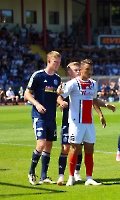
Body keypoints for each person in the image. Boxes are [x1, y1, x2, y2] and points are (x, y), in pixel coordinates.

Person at [57, 61, 116, 185]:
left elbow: (94, 100)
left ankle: (89, 178)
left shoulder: (93, 84)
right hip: (75, 122)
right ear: (81, 69)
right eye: (87, 69)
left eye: (91, 70)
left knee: (90, 148)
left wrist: (102, 111)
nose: (90, 72)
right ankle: (71, 177)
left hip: (89, 122)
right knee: (75, 148)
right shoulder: (73, 83)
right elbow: (61, 95)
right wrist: (60, 97)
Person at [25, 51, 62, 185]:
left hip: (51, 117)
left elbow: (56, 96)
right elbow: (27, 94)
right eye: (55, 62)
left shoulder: (57, 79)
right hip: (39, 116)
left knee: (49, 146)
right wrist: (37, 104)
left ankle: (44, 176)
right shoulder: (38, 76)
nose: (58, 64)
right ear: (48, 61)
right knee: (41, 144)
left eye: (59, 62)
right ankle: (31, 172)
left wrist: (60, 100)